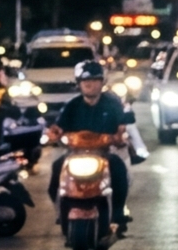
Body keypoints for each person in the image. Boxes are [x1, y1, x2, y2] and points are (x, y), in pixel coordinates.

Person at [45, 60, 133, 226]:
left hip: (103, 153)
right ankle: (60, 211)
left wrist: (120, 135)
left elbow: (122, 124)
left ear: (102, 82)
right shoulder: (72, 105)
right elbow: (59, 127)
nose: (89, 84)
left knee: (119, 170)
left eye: (94, 80)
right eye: (84, 80)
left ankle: (118, 212)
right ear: (79, 83)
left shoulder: (112, 104)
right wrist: (54, 134)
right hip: (75, 153)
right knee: (57, 168)